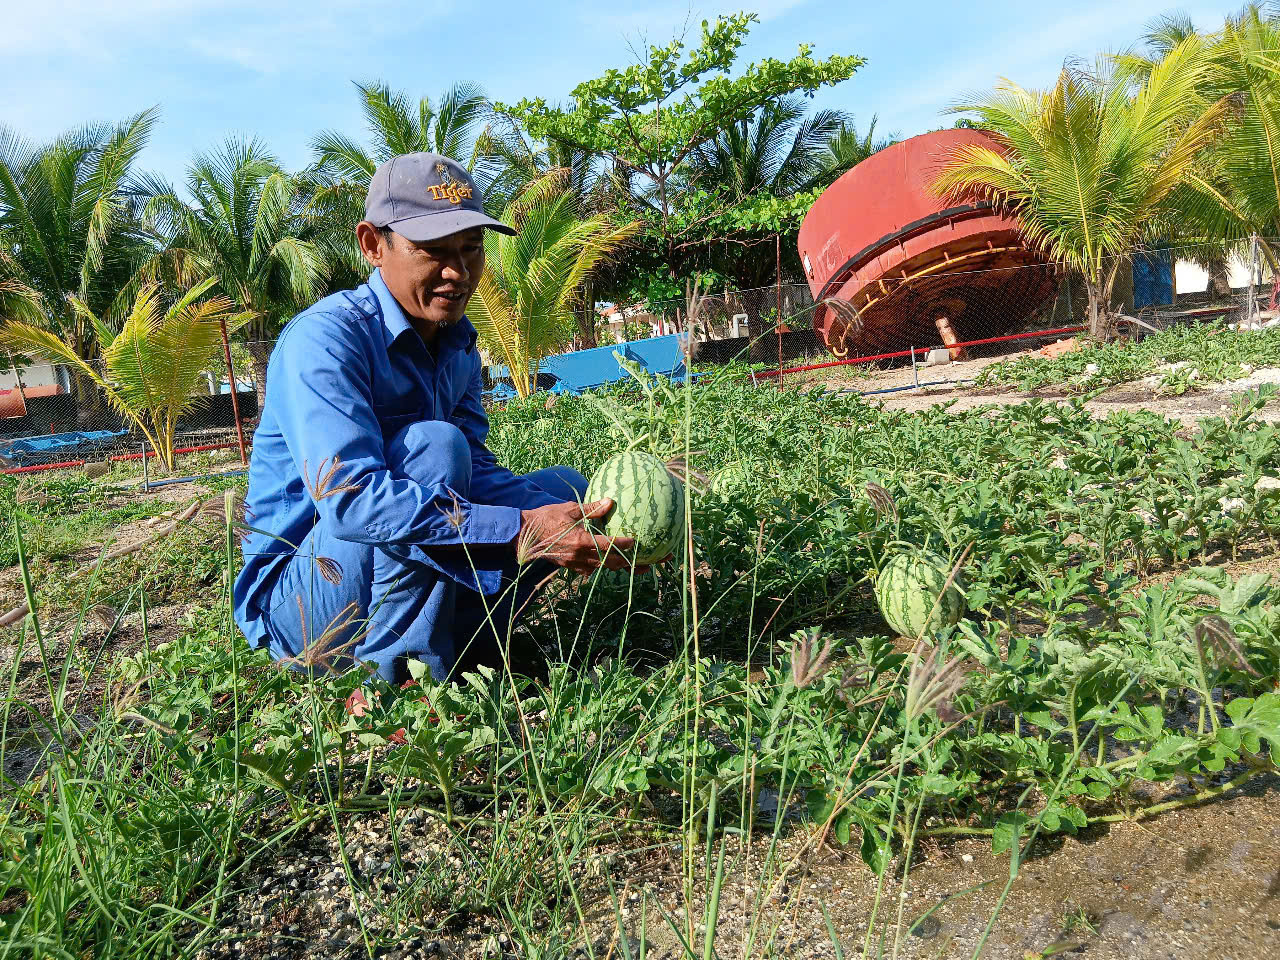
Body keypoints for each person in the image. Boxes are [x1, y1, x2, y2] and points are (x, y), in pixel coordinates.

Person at [233, 152, 640, 684]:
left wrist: (569, 519)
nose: (458, 272)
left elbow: (476, 472)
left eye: (471, 250)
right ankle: (398, 680)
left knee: (563, 489)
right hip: (310, 607)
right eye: (432, 251)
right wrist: (519, 528)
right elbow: (350, 503)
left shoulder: (458, 343)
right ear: (373, 245)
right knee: (434, 448)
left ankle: (463, 640)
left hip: (378, 573)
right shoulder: (326, 341)